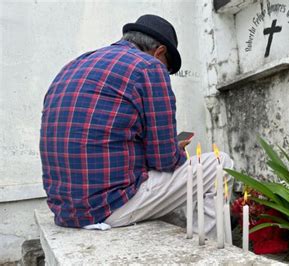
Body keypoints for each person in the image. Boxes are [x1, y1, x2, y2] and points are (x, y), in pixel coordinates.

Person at [40, 14, 233, 234]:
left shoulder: (74, 65)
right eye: (168, 67)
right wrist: (174, 149)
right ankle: (213, 253)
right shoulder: (149, 67)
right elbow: (164, 161)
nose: (165, 72)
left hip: (66, 210)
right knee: (220, 163)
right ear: (160, 52)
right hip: (108, 206)